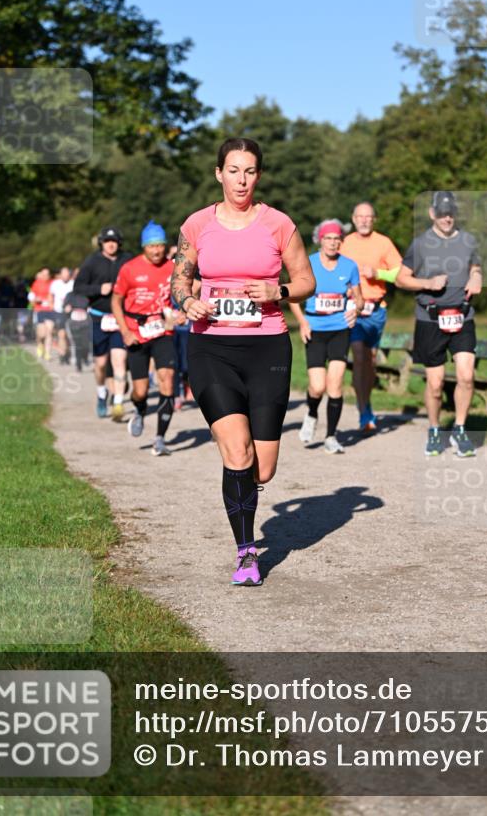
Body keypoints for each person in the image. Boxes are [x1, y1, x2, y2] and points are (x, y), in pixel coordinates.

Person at [172, 137, 315, 587]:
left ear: (258, 176)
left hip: (268, 348)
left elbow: (306, 280)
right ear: (219, 174)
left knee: (263, 466)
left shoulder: (278, 224)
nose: (241, 179)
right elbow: (180, 280)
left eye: (249, 171)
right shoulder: (197, 225)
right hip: (211, 347)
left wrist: (281, 292)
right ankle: (247, 552)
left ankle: (241, 486)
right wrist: (188, 301)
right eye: (233, 170)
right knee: (238, 452)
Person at [396, 190, 482, 457]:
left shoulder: (469, 240)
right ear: (432, 213)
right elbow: (401, 279)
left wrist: (477, 277)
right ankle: (434, 430)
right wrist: (427, 283)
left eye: (451, 213)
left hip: (462, 315)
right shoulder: (420, 244)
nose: (447, 218)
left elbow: (475, 267)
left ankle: (459, 429)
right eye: (442, 213)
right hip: (431, 319)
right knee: (435, 384)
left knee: (467, 375)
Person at [289, 219, 364, 454]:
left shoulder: (350, 266)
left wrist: (356, 310)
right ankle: (311, 413)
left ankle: (331, 436)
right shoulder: (308, 263)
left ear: (341, 241)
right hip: (315, 329)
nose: (332, 243)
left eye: (336, 238)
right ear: (319, 240)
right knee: (317, 387)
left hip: (340, 328)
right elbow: (293, 297)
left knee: (335, 385)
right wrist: (302, 323)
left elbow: (360, 299)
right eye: (328, 238)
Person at [112, 222, 177, 457]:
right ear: (144, 247)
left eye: (160, 245)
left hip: (163, 331)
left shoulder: (173, 268)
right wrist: (125, 332)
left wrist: (184, 312)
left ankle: (160, 439)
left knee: (167, 380)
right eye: (152, 246)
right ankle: (139, 410)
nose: (157, 250)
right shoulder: (129, 269)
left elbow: (191, 289)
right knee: (140, 390)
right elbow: (115, 301)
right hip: (136, 334)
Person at [341, 202, 402, 432]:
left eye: (368, 217)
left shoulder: (383, 243)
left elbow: (400, 272)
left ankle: (366, 402)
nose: (364, 220)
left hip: (376, 310)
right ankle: (363, 409)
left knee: (370, 360)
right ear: (354, 219)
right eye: (360, 216)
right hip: (352, 308)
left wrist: (378, 273)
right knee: (358, 355)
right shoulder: (345, 243)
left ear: (374, 220)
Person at [75, 227, 132, 420]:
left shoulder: (127, 259)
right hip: (98, 318)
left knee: (119, 360)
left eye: (114, 240)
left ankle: (117, 404)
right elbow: (79, 287)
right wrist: (99, 288)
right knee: (100, 364)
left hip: (120, 318)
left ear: (119, 243)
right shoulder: (92, 262)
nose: (111, 244)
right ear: (101, 243)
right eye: (107, 241)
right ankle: (101, 394)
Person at [28, 268, 54, 359]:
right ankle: (40, 344)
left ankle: (48, 353)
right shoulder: (36, 283)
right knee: (42, 334)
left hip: (50, 310)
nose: (45, 276)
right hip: (39, 310)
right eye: (44, 274)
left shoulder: (53, 283)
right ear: (41, 275)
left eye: (47, 274)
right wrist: (36, 300)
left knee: (49, 331)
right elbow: (31, 296)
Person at [50, 266, 74, 365]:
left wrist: (72, 305)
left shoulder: (73, 284)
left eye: (67, 273)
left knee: (69, 335)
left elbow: (78, 297)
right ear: (60, 274)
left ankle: (67, 353)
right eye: (63, 273)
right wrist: (51, 305)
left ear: (69, 274)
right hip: (59, 311)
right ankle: (62, 354)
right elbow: (50, 295)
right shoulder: (55, 284)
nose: (65, 275)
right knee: (61, 334)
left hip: (71, 313)